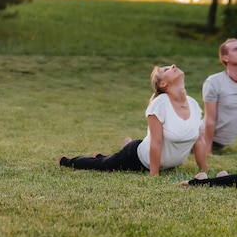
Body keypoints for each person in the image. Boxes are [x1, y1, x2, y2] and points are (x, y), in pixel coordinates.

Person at [59, 64, 208, 176]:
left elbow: (199, 141)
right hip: (138, 158)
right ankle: (67, 161)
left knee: (111, 159)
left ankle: (119, 148)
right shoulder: (160, 105)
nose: (173, 66)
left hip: (166, 164)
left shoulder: (193, 104)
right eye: (166, 69)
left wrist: (204, 170)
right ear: (163, 84)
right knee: (101, 165)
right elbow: (156, 142)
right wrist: (154, 175)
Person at [202, 38, 237, 155]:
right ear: (225, 58)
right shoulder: (213, 82)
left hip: (221, 144)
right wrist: (207, 152)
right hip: (197, 139)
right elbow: (209, 119)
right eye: (235, 49)